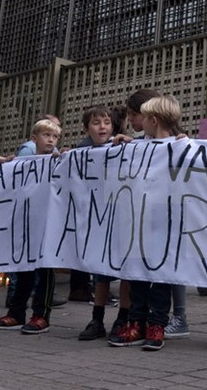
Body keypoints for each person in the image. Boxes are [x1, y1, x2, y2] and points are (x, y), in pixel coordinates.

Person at [109, 95, 182, 350]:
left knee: (161, 275)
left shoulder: (181, 146)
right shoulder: (138, 145)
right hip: (140, 220)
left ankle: (157, 324)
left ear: (152, 120)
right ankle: (137, 322)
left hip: (165, 221)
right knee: (138, 273)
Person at [0, 118, 62, 334]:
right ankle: (16, 313)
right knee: (24, 268)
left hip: (49, 224)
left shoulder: (58, 161)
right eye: (47, 135)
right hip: (27, 223)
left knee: (45, 269)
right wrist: (4, 165)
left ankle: (41, 315)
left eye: (55, 136)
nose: (51, 140)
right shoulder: (22, 164)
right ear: (34, 139)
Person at [75, 105, 132, 342]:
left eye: (107, 122)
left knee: (126, 270)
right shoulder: (81, 151)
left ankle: (123, 318)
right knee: (101, 273)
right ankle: (97, 319)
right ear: (87, 128)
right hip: (98, 218)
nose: (103, 127)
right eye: (97, 123)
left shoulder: (123, 146)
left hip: (122, 216)